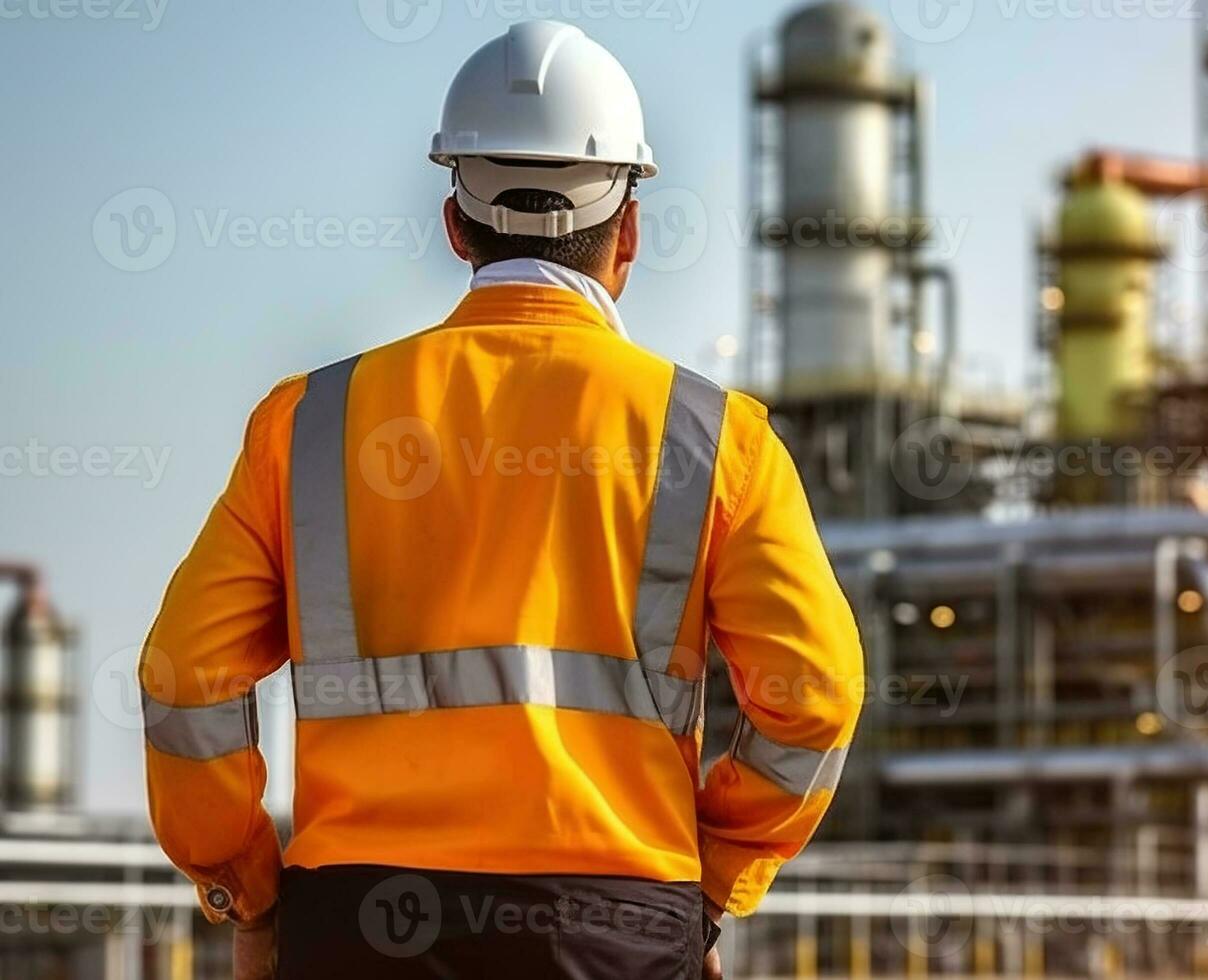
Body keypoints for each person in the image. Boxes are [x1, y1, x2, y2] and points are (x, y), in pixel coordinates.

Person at [138, 20, 863, 979]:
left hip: (361, 929)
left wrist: (248, 886)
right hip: (619, 932)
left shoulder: (309, 424)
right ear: (630, 231)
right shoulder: (715, 440)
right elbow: (813, 694)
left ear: (454, 223)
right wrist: (714, 876)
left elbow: (185, 678)